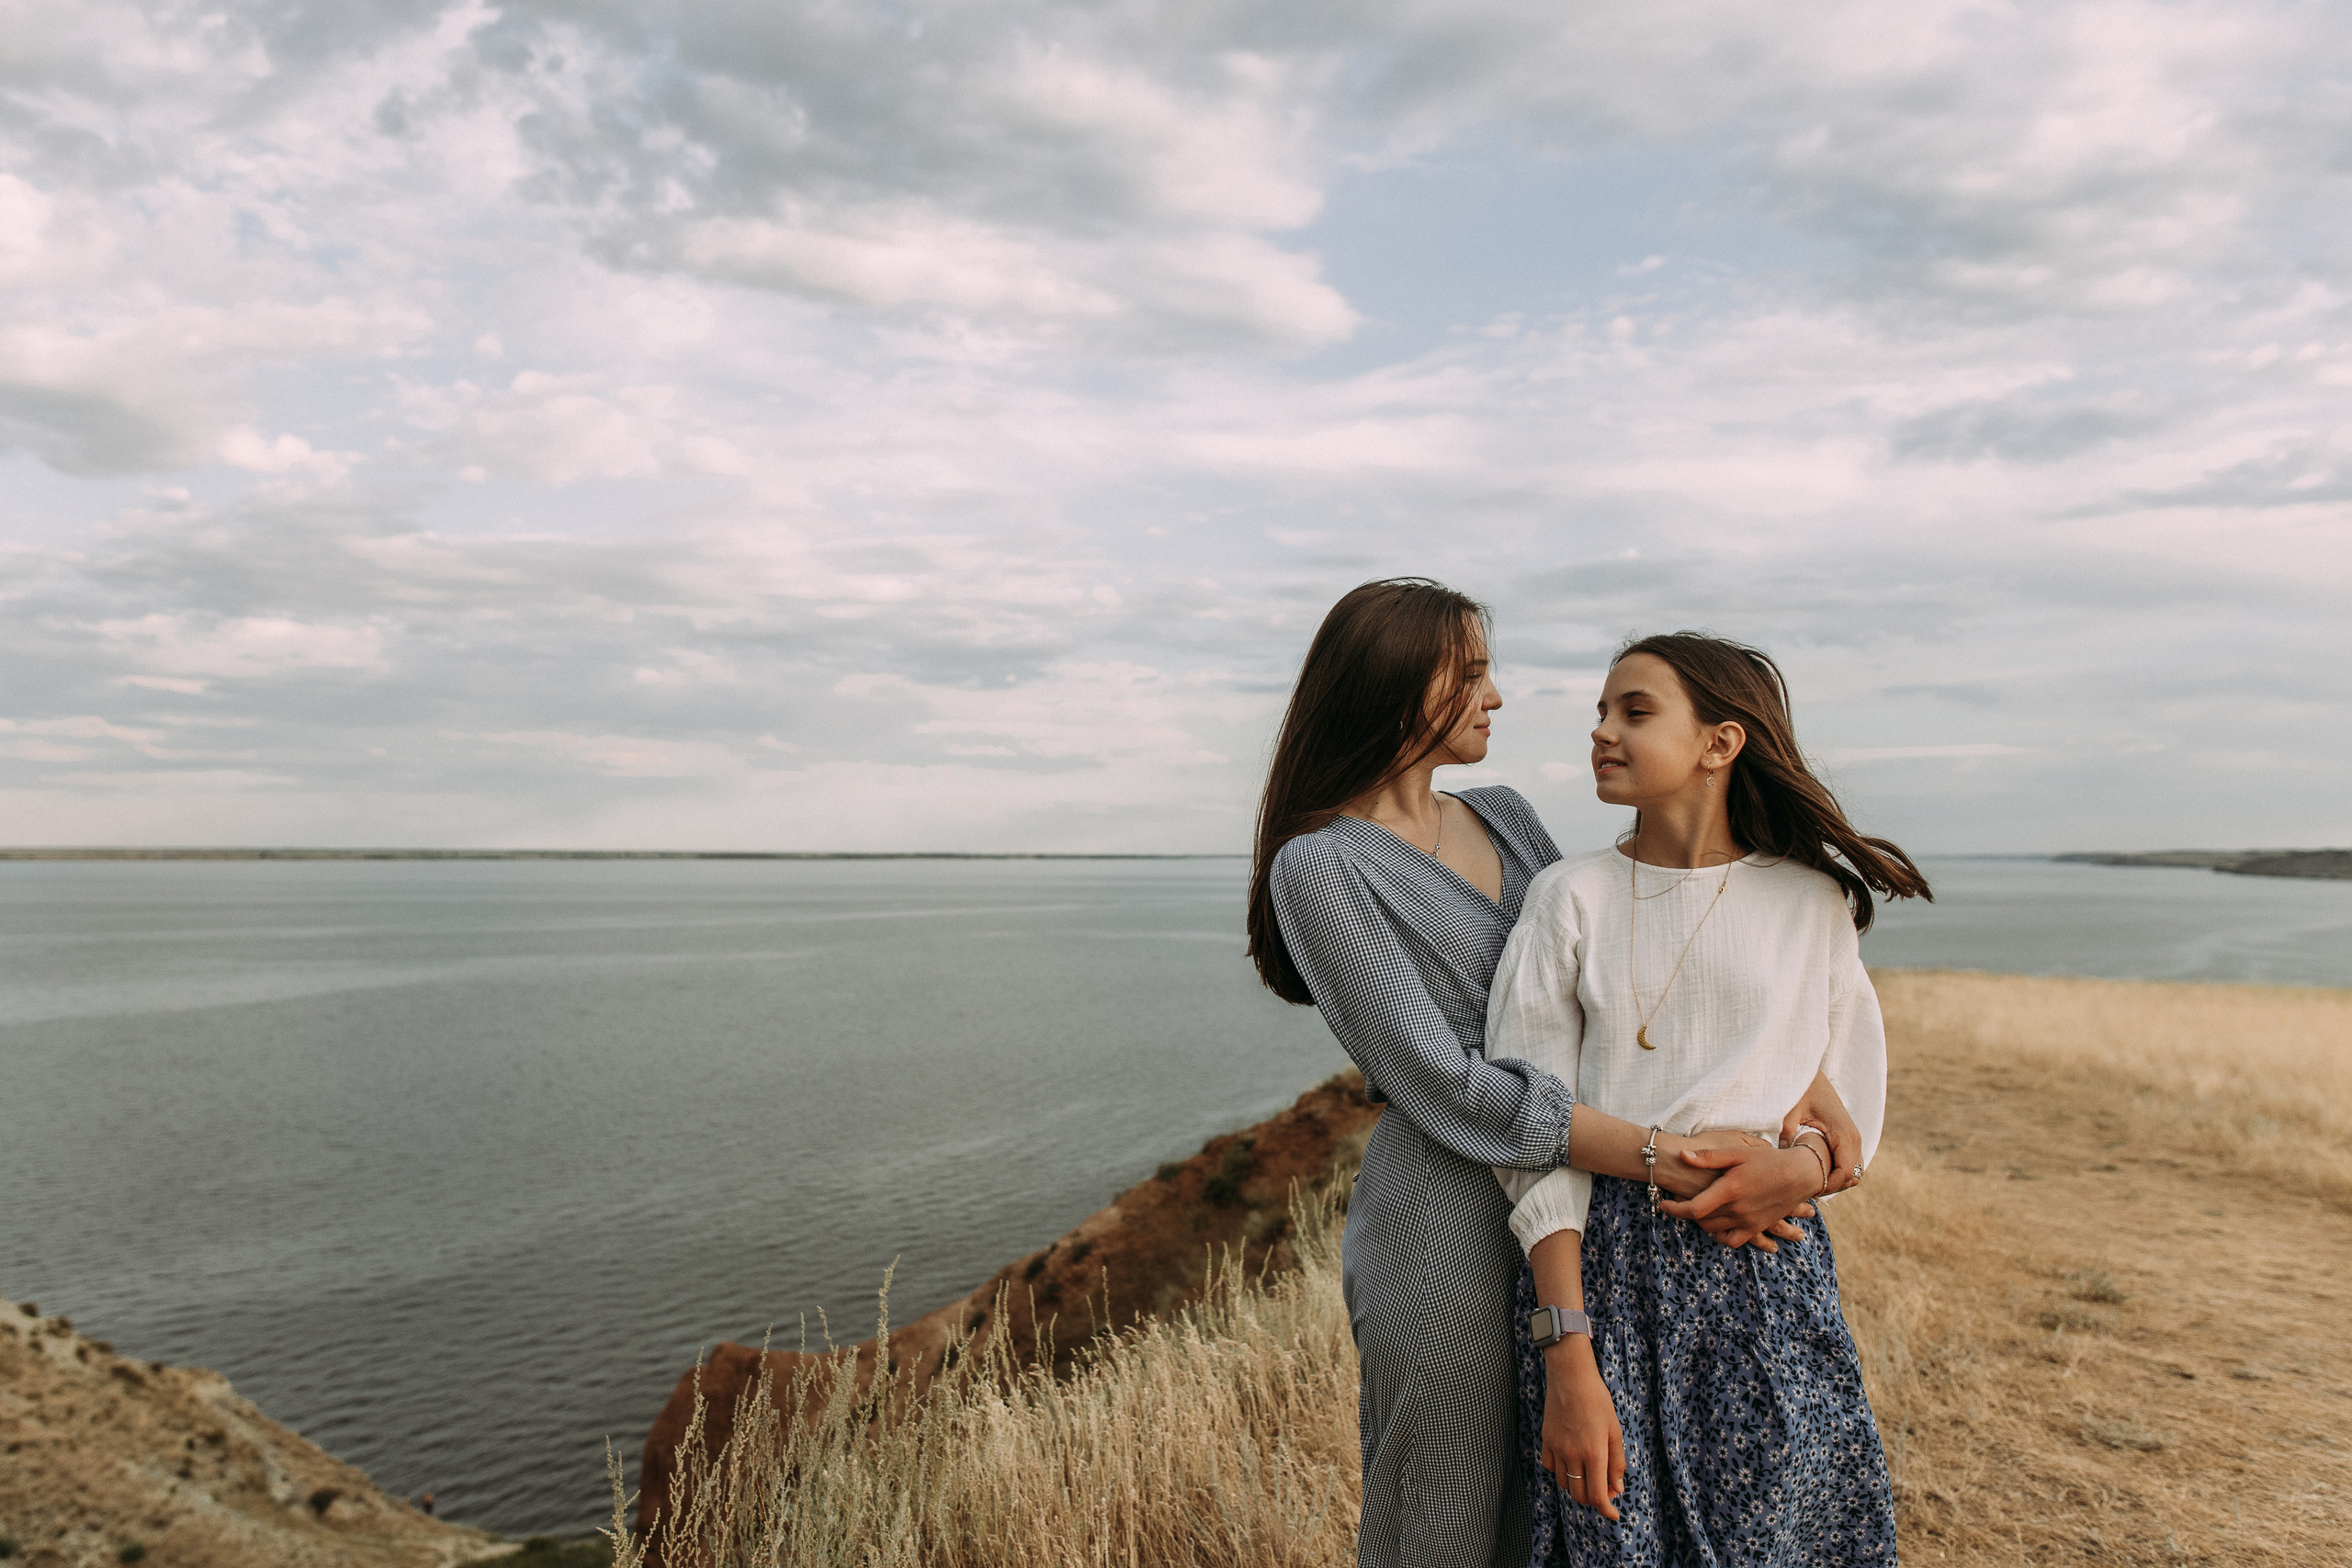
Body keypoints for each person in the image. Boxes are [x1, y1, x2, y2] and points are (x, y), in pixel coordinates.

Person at [1250, 585, 1860, 1568]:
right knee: (1450, 1508)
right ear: (1399, 683)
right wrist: (1663, 1155)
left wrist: (1810, 1124)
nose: (1496, 695)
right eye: (1474, 671)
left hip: (1581, 1218)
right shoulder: (1319, 866)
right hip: (1445, 1216)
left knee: (1566, 1516)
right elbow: (1445, 1085)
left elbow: (1602, 984)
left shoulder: (1504, 816)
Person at [1487, 630, 1932, 1567]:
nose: (1602, 732)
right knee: (1613, 1544)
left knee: (1788, 1538)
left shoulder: (1810, 902)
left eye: (1634, 711)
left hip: (1769, 1273)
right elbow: (1530, 1130)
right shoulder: (1569, 899)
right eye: (1600, 713)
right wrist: (1567, 1354)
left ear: (1719, 743)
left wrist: (1799, 1171)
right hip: (1605, 1273)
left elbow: (1849, 1093)